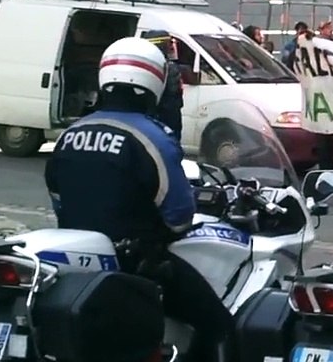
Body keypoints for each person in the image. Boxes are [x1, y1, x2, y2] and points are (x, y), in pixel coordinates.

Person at [44, 37, 230, 362]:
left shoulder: (70, 134)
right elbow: (179, 217)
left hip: (76, 260)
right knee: (218, 323)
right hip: (134, 263)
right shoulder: (153, 138)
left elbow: (59, 199)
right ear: (154, 81)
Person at [141, 30, 184, 139]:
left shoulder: (143, 65)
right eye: (170, 44)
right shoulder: (170, 68)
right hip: (166, 121)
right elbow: (172, 103)